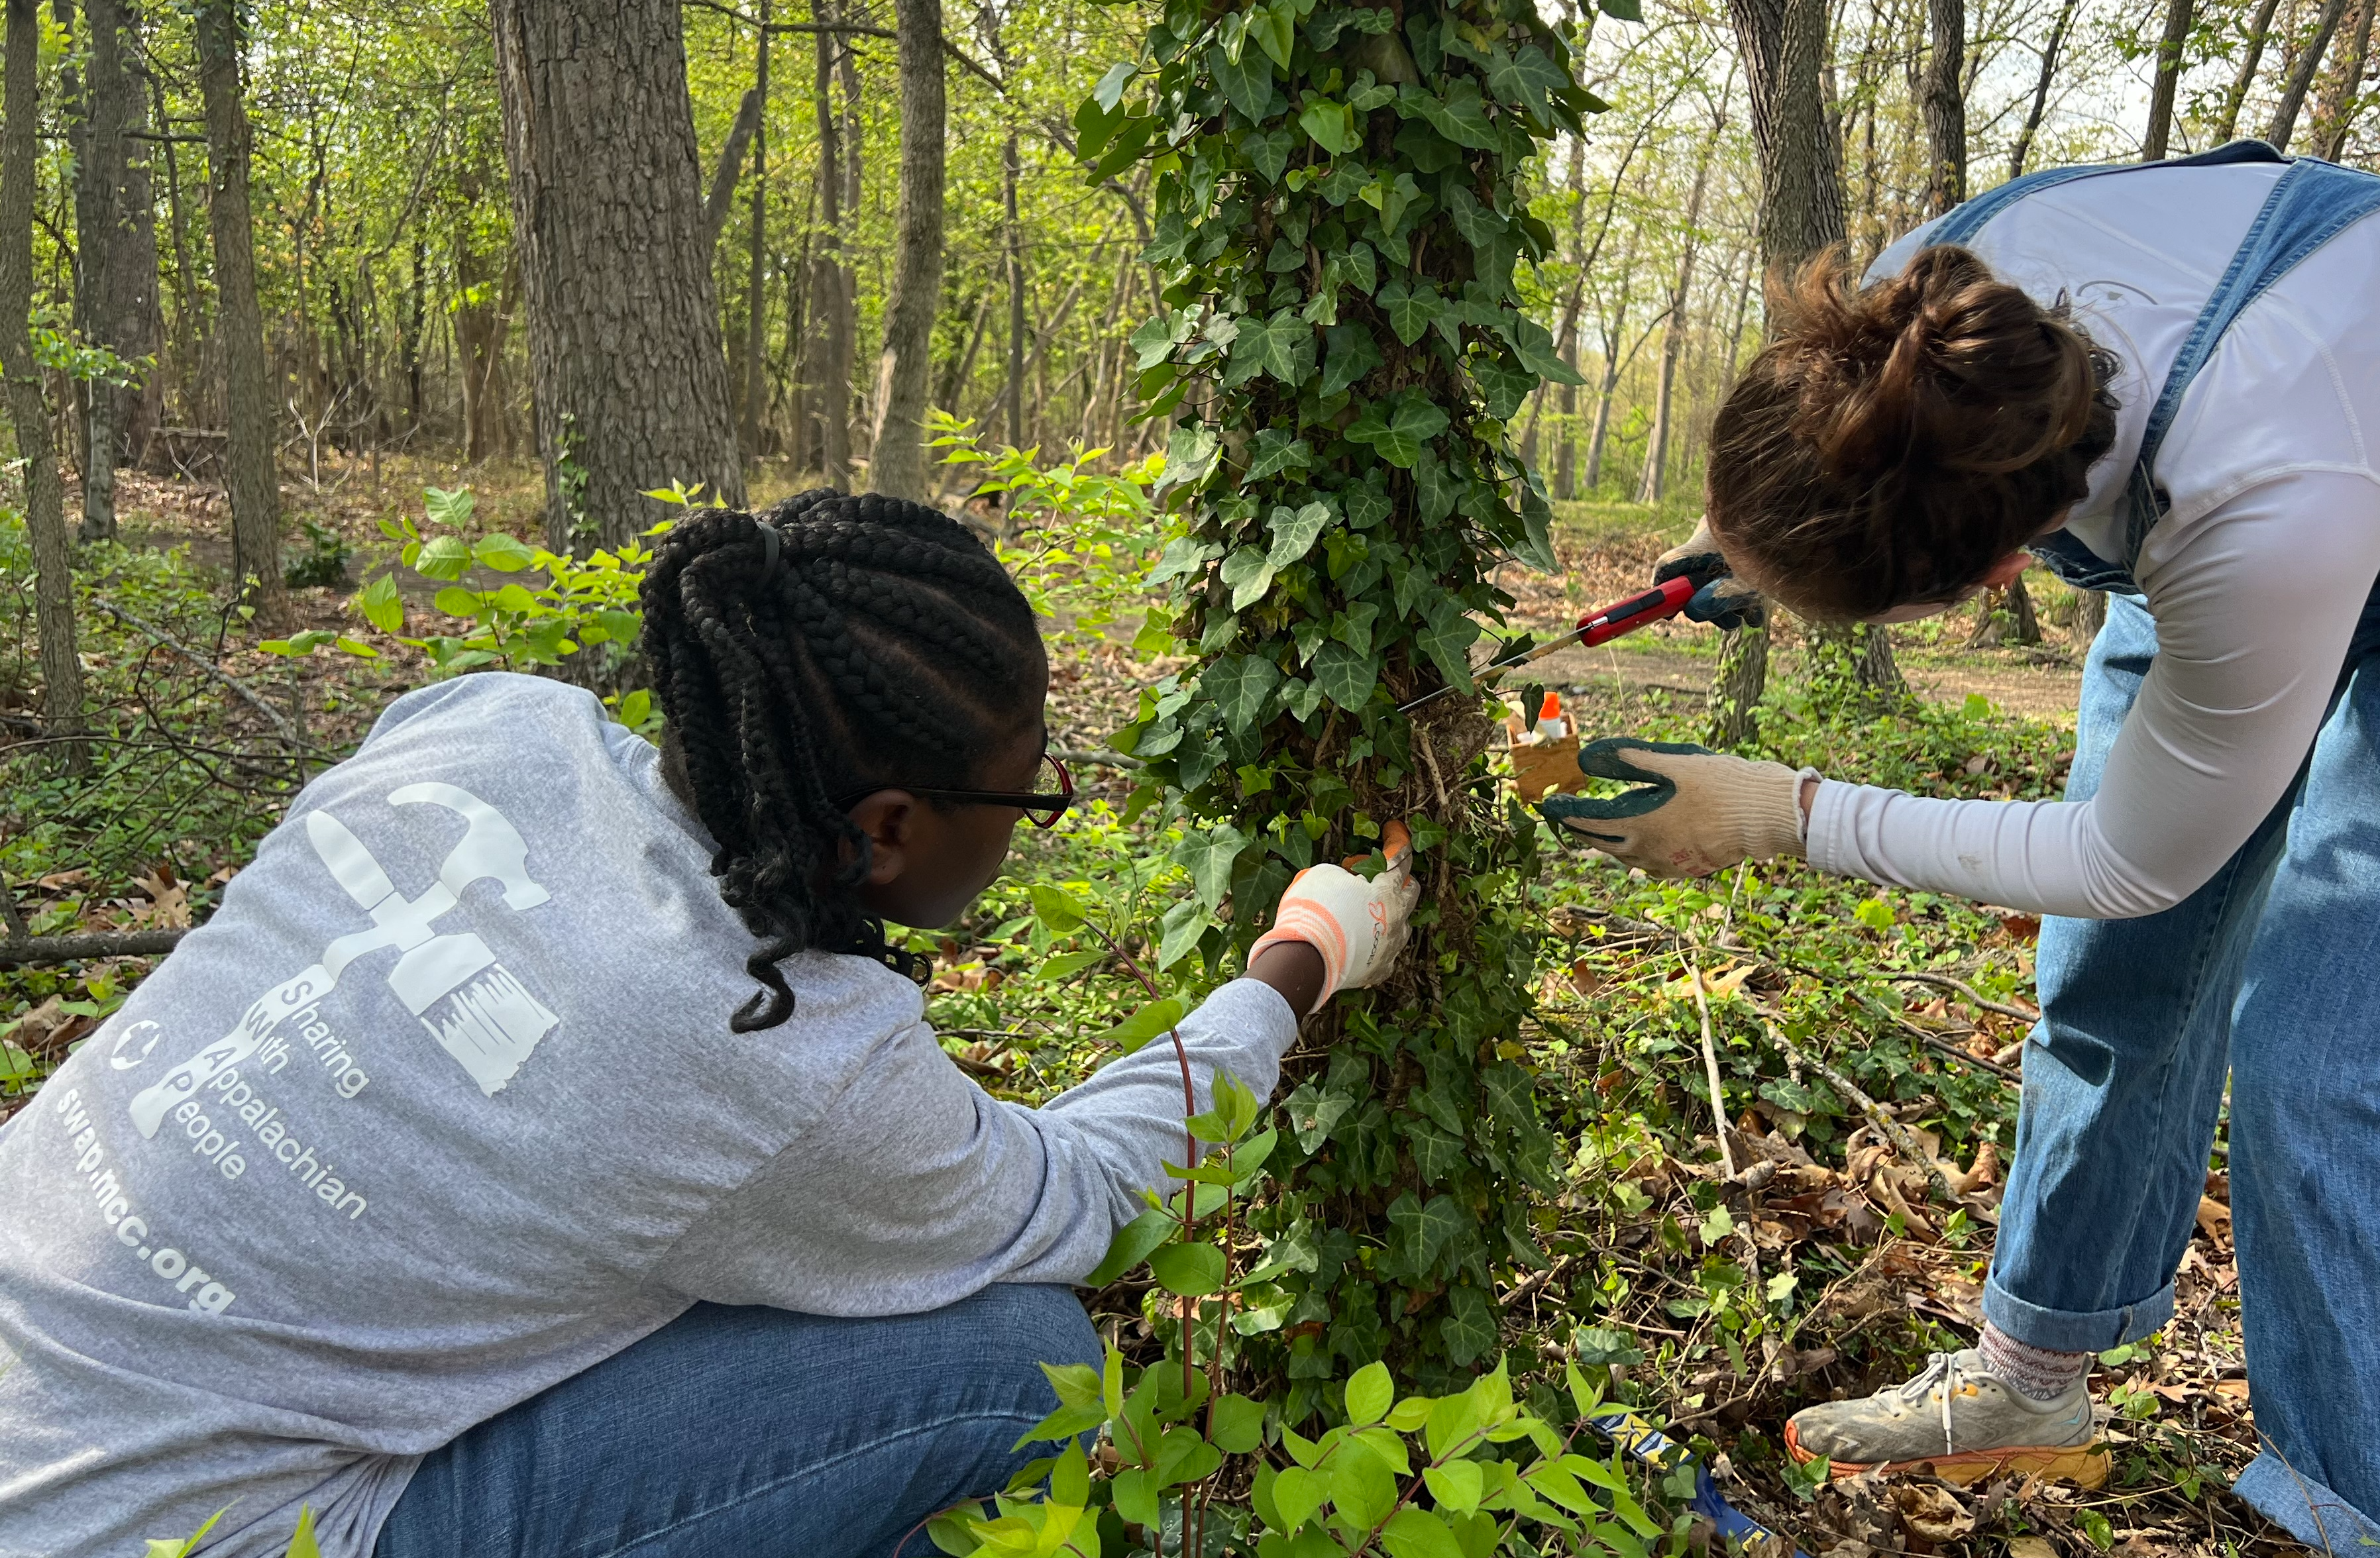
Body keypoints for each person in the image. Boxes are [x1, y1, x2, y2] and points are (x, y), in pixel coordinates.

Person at [1541, 143, 2380, 1555]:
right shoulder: (1925, 331)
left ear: (2006, 572)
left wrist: (1785, 814)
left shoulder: (2262, 501)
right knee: (2110, 978)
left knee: (2332, 1063)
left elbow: (2138, 857)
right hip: (2316, 456)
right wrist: (1751, 541)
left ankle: (2378, 1527)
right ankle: (2031, 1383)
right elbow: (1843, 447)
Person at [0, 490, 1419, 1558]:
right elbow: (1093, 1196)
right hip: (191, 1530)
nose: (1034, 823)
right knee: (1012, 1367)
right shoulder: (775, 1046)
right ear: (889, 830)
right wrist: (1299, 958)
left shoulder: (485, 722)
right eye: (1027, 798)